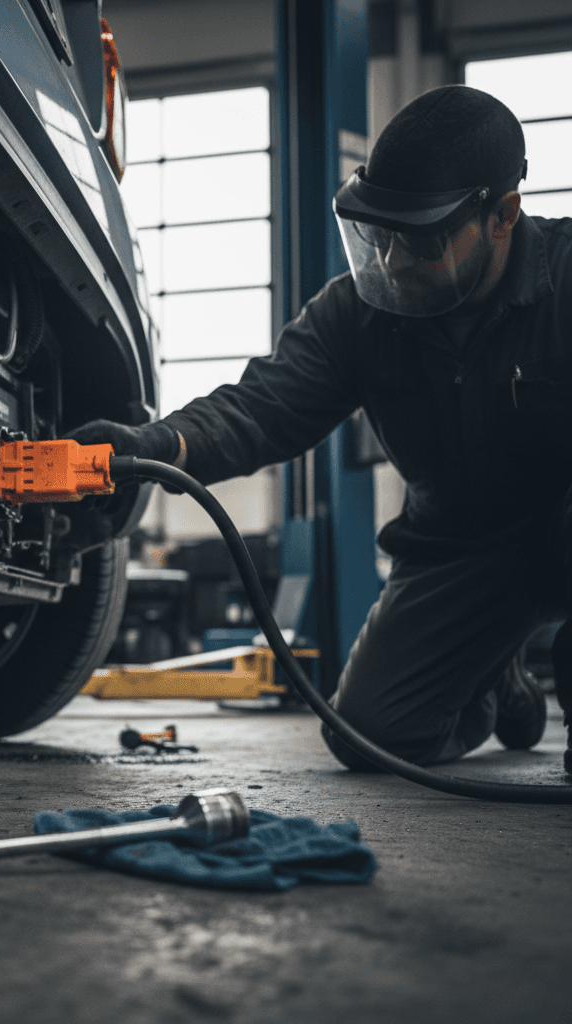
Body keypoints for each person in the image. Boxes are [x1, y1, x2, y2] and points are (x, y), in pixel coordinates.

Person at [71, 85, 572, 774]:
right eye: (382, 235)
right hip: (461, 545)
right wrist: (148, 450)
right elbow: (259, 408)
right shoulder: (359, 317)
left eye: (421, 239)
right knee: (370, 735)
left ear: (502, 214)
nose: (394, 263)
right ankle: (491, 686)